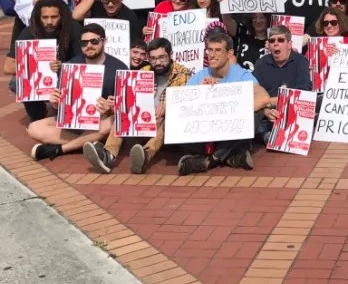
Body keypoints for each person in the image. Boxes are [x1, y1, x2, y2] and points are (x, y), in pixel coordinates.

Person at [82, 37, 193, 174]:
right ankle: (108, 156)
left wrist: (170, 106)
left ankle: (145, 155)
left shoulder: (184, 74)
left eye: (161, 57)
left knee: (169, 118)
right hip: (143, 123)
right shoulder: (144, 71)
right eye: (153, 58)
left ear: (170, 55)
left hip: (167, 129)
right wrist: (115, 104)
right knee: (123, 111)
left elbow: (186, 106)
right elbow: (130, 101)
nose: (157, 62)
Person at [29, 24, 128, 161]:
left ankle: (60, 149)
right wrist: (56, 103)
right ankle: (88, 144)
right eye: (84, 43)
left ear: (104, 41)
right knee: (34, 127)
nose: (89, 46)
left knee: (113, 123)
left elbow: (125, 109)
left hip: (101, 121)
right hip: (74, 122)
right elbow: (60, 105)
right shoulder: (70, 66)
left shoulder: (119, 68)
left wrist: (110, 108)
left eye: (94, 41)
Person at [176, 33, 271, 175]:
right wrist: (201, 94)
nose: (212, 55)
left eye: (218, 50)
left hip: (229, 131)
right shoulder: (200, 76)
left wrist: (233, 110)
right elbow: (181, 104)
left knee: (258, 112)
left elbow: (263, 97)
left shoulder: (241, 75)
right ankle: (232, 156)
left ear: (229, 53)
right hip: (205, 131)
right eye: (210, 50)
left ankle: (209, 161)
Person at [5, 0, 83, 122]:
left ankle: (66, 112)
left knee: (63, 118)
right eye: (45, 17)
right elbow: (8, 66)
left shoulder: (73, 29)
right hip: (40, 77)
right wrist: (37, 65)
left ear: (62, 16)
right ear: (38, 17)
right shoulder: (30, 31)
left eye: (54, 17)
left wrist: (63, 66)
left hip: (65, 75)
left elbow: (84, 63)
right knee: (15, 82)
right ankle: (37, 113)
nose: (50, 22)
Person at [253, 25, 311, 144]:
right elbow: (254, 94)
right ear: (268, 45)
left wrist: (271, 101)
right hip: (267, 115)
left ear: (289, 44)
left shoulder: (301, 61)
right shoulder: (260, 64)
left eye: (280, 40)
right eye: (272, 41)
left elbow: (303, 91)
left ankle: (274, 137)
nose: (275, 44)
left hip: (292, 111)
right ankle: (268, 136)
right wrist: (266, 111)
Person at [73, 0, 144, 42]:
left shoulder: (130, 16)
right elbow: (76, 16)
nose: (110, 4)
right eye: (106, 0)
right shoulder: (95, 7)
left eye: (115, 0)